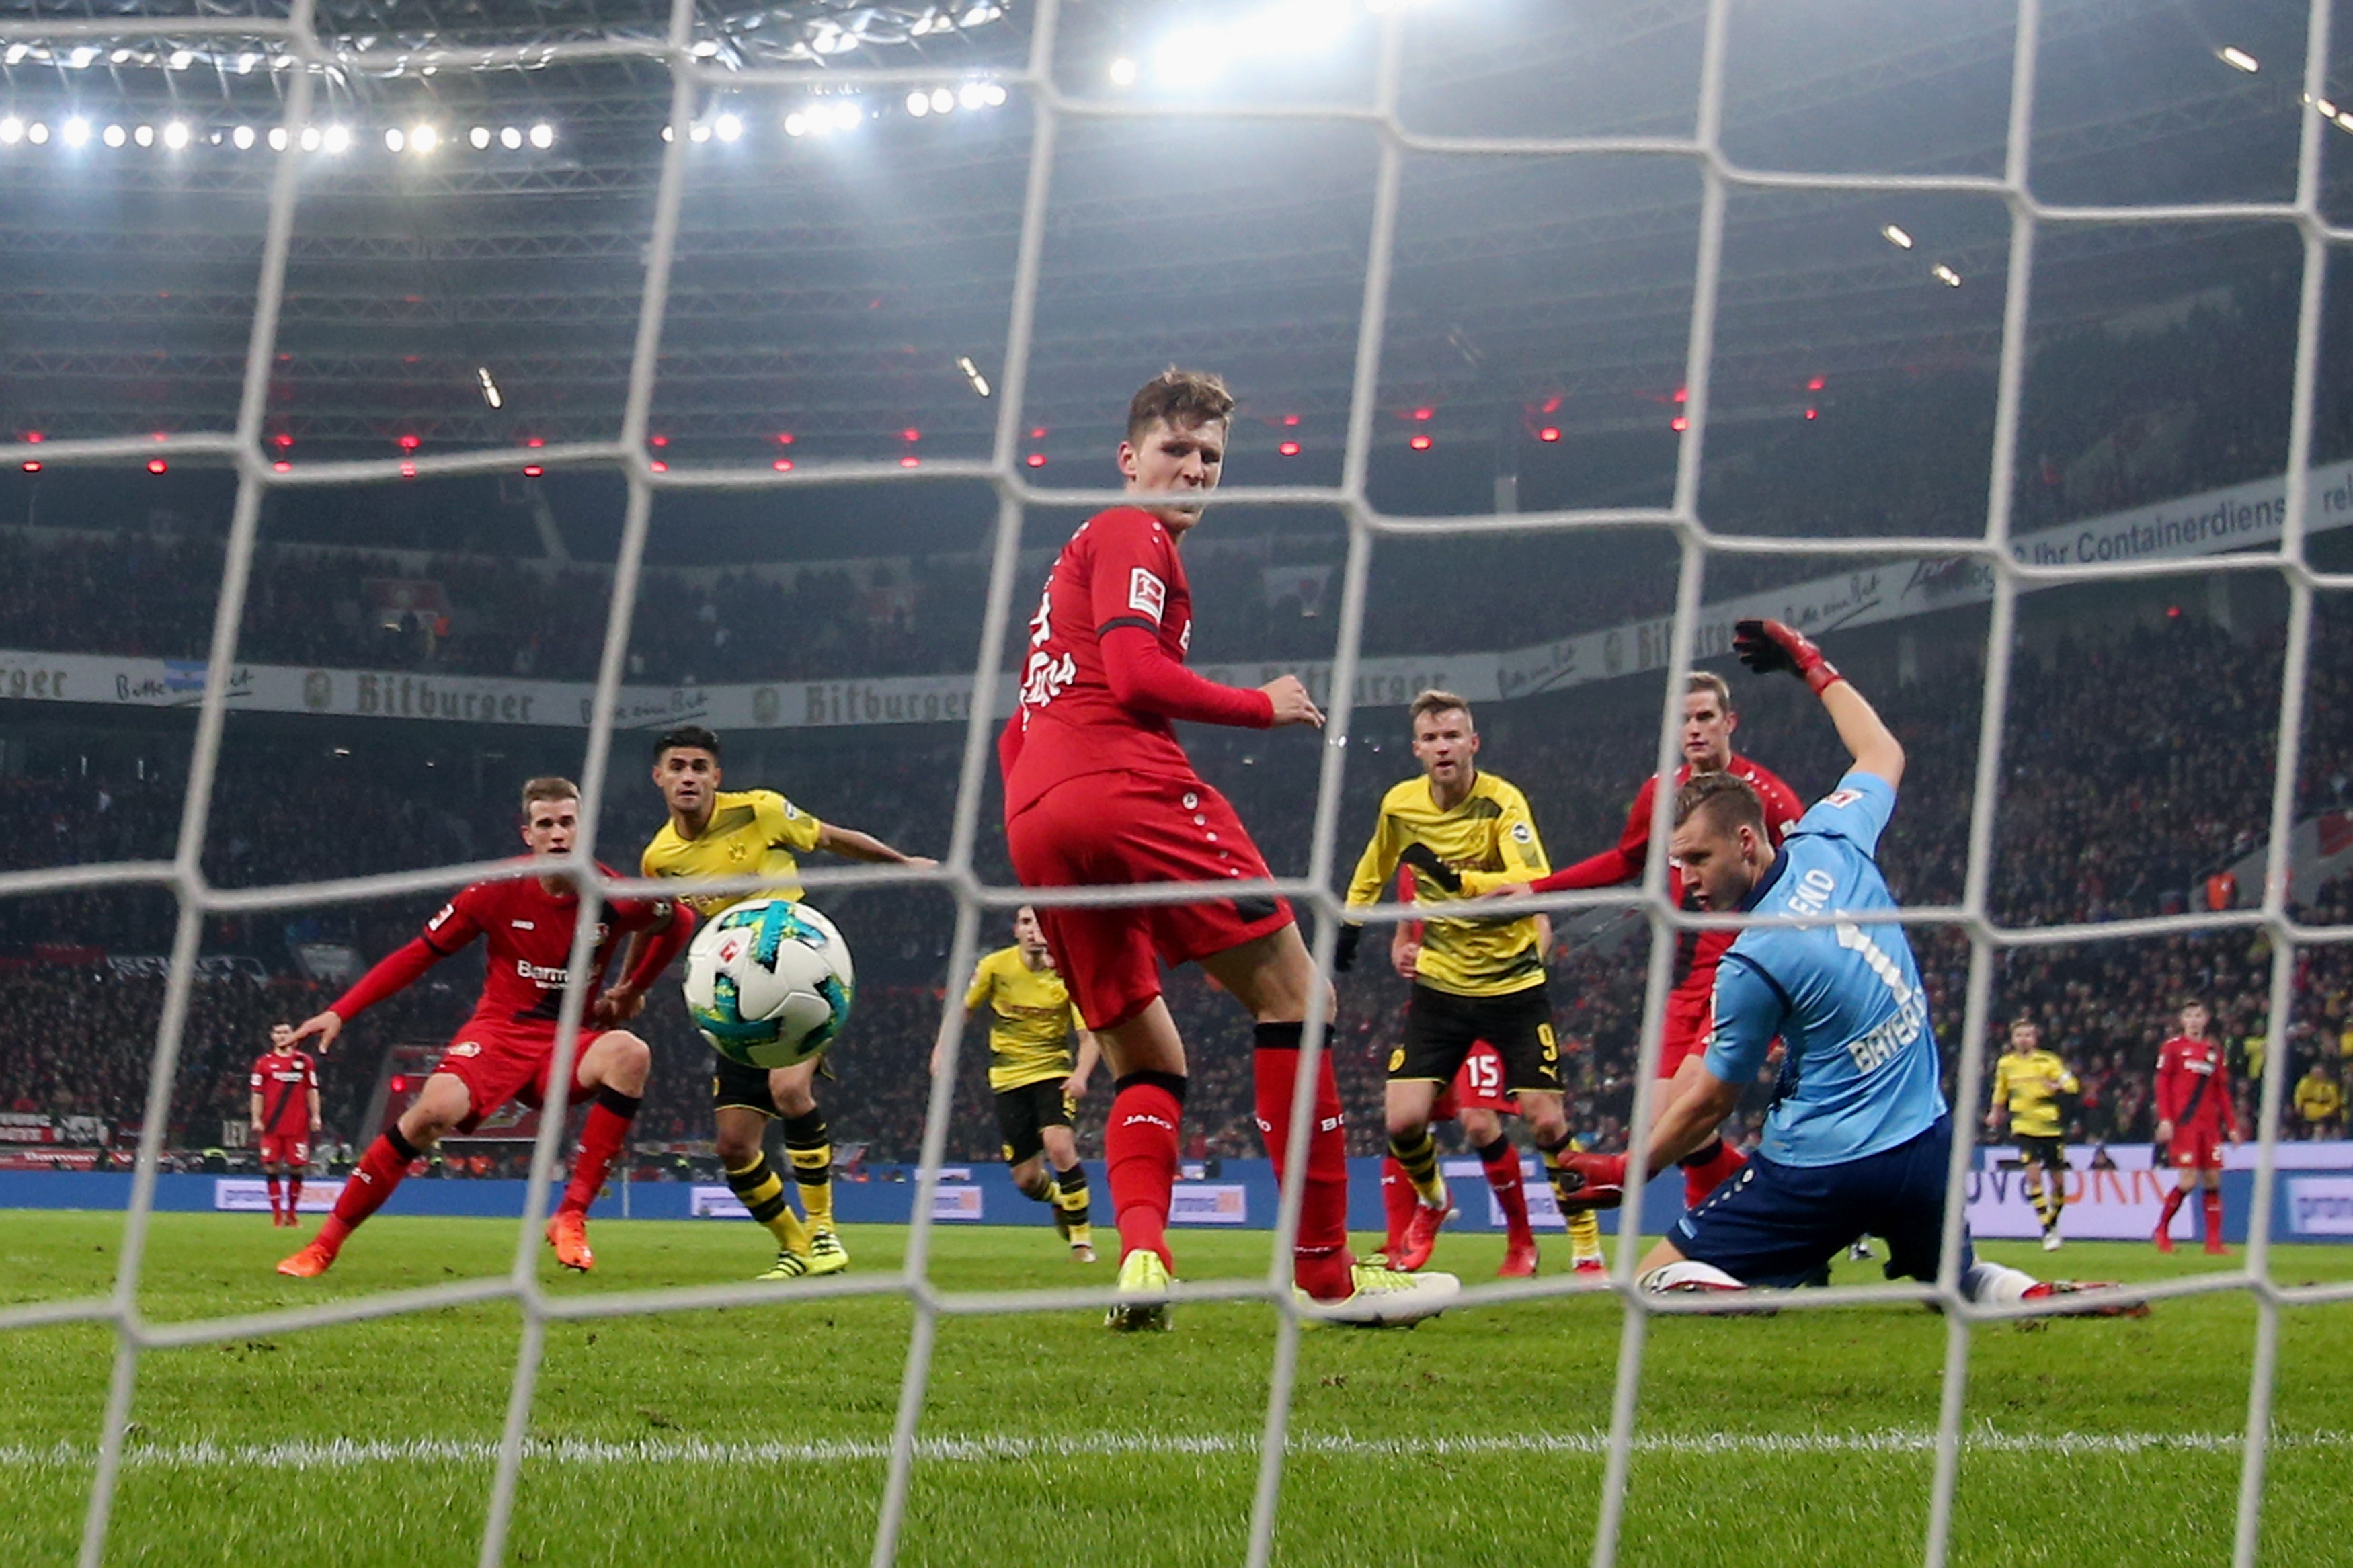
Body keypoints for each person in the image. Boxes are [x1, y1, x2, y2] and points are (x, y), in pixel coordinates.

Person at [998, 367, 1455, 1329]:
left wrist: (1044, 849)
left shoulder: (1071, 567)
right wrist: (1264, 705)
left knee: (1147, 1058)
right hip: (1123, 782)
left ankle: (1145, 1261)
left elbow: (1022, 724)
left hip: (1038, 810)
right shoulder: (1130, 531)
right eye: (1176, 450)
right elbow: (1130, 673)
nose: (1196, 469)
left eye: (1211, 457)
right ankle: (1328, 1277)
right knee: (1300, 995)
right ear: (1129, 460)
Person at [1550, 621, 2140, 1316]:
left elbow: (1710, 1101)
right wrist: (1809, 664)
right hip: (1925, 1144)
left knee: (1648, 1283)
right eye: (1676, 863)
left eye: (1697, 860)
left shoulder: (1750, 959)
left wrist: (1628, 1169)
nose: (1687, 879)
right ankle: (2034, 1293)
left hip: (1824, 1169)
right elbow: (1880, 750)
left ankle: (1741, 1290)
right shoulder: (1833, 835)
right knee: (1950, 1279)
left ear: (1746, 840)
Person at [276, 778, 695, 1278]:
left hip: (567, 1043)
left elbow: (680, 922)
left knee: (631, 1053)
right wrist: (341, 1010)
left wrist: (630, 988)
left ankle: (571, 1215)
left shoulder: (616, 896)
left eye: (567, 822)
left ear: (583, 830)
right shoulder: (494, 890)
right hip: (499, 1033)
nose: (558, 834)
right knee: (432, 1111)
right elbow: (418, 954)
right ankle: (323, 1246)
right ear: (528, 833)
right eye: (546, 824)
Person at [1466, 671, 1803, 1218]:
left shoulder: (1766, 796)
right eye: (1683, 720)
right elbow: (1625, 859)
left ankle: (1715, 1244)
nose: (1694, 730)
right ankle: (1776, 1209)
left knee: (1691, 1113)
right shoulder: (1660, 793)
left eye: (1705, 717)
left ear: (1729, 722)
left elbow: (1812, 877)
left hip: (1749, 971)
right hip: (1684, 980)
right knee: (1665, 1129)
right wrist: (1537, 890)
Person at [639, 724, 936, 1281]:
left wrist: (904, 864)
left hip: (802, 973)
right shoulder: (659, 859)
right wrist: (630, 987)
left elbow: (833, 837)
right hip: (733, 1000)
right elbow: (657, 923)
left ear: (716, 777)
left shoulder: (759, 810)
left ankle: (825, 1229)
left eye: (699, 767)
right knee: (732, 1146)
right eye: (677, 766)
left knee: (791, 1087)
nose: (688, 776)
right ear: (658, 777)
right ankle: (795, 1245)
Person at [1339, 691, 1597, 1276]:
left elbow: (1532, 885)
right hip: (1441, 992)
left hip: (1510, 987)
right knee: (1401, 1120)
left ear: (1473, 743)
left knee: (1541, 1122)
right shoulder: (1403, 809)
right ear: (1417, 750)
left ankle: (1579, 1247)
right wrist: (1356, 925)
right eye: (1431, 738)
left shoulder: (1502, 802)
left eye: (1453, 736)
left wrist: (1458, 880)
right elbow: (1379, 874)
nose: (1442, 747)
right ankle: (1433, 1203)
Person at [1374, 874, 1541, 1278]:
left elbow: (1538, 928)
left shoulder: (1496, 848)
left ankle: (1522, 1243)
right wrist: (1402, 954)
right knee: (1404, 1119)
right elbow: (1402, 936)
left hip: (1488, 1006)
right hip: (1433, 1011)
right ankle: (1399, 1243)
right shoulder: (1412, 867)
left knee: (1479, 1122)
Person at [943, 905, 1101, 1262]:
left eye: (1041, 923)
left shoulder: (1066, 975)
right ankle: (1062, 1201)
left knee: (1059, 1145)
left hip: (1053, 1073)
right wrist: (942, 1051)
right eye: (1027, 922)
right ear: (1016, 929)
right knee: (1027, 1181)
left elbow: (1089, 1037)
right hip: (1008, 1078)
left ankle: (1082, 1242)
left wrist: (1080, 1076)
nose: (1034, 930)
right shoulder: (994, 967)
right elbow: (964, 1010)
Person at [2153, 999, 2241, 1255]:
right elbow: (2162, 1086)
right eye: (2189, 1016)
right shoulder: (2172, 1048)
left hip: (2209, 1127)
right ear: (2182, 1021)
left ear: (2206, 1019)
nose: (2193, 1020)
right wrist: (2166, 1119)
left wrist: (2232, 1126)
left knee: (2213, 1180)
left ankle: (2213, 1243)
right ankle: (2161, 1230)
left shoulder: (2213, 1050)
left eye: (2198, 1016)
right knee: (2189, 1181)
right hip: (2184, 1125)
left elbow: (2221, 1091)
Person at [1985, 1016, 2079, 1251]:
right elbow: (2000, 1091)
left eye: (2028, 1035)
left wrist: (2057, 1086)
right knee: (2034, 1176)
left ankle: (2052, 1224)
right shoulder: (2006, 1064)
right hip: (2023, 1127)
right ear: (2013, 1039)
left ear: (2035, 1038)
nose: (2023, 1039)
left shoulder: (2049, 1061)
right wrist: (1995, 1112)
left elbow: (2072, 1085)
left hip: (2050, 1126)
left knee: (2058, 1185)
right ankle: (2047, 1230)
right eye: (2019, 1035)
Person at [248, 1022, 320, 1228]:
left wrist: (316, 1116)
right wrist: (256, 1118)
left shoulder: (304, 1062)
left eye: (286, 1032)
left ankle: (292, 1214)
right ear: (272, 1036)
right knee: (272, 1167)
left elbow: (312, 1090)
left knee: (297, 1168)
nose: (282, 1036)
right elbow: (257, 1093)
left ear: (294, 1035)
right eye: (277, 1033)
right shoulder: (263, 1063)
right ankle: (278, 1215)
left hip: (297, 1126)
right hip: (271, 1126)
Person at [2293, 1059, 2343, 1139]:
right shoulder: (2304, 1082)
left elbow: (2335, 1101)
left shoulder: (2330, 1085)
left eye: (2319, 1073)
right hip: (2307, 1113)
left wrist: (2327, 1111)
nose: (2317, 1075)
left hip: (2324, 1114)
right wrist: (2298, 1107)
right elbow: (2298, 1095)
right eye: (2315, 1072)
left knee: (2323, 1127)